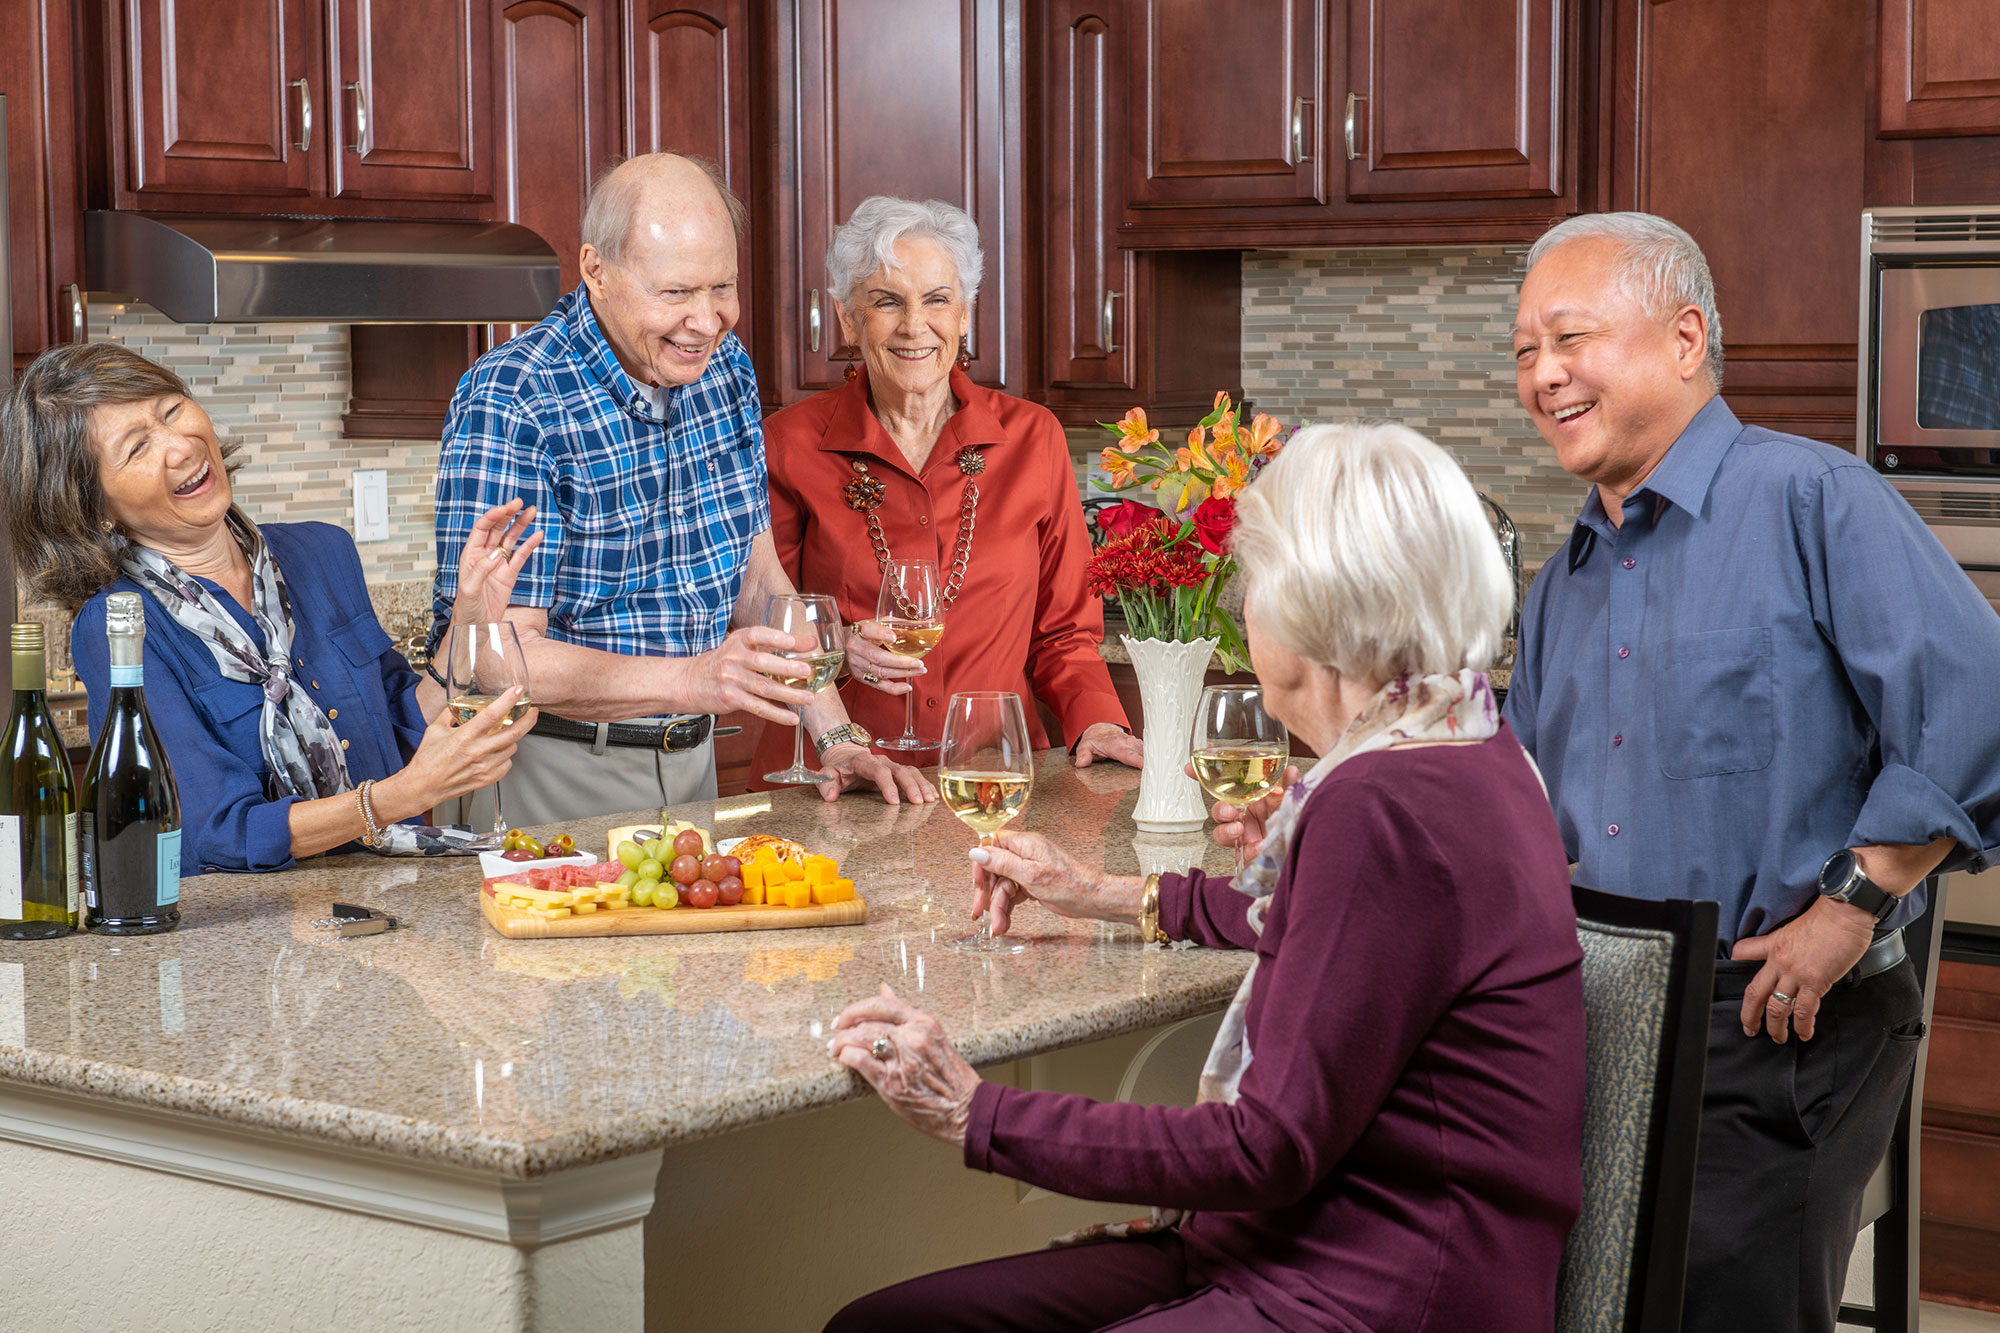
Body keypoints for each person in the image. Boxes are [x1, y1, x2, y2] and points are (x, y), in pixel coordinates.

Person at [822, 423, 1585, 1332]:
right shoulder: (1462, 743)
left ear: (1312, 611)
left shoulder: (1381, 802)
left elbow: (1263, 1147)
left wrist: (973, 1111)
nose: (1243, 611)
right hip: (1300, 1248)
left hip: (1368, 1292)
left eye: (1251, 585)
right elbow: (1324, 934)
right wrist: (1100, 893)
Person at [1503, 211, 2000, 1331]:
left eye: (1568, 337)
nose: (1543, 374)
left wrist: (1853, 902)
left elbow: (1981, 702)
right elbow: (1514, 803)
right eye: (1524, 351)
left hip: (1781, 1026)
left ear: (1684, 340)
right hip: (1598, 1027)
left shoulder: (1810, 499)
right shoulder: (1559, 579)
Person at [432, 155, 932, 826]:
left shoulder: (723, 367)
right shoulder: (515, 398)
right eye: (676, 294)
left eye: (721, 287)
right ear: (596, 270)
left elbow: (756, 580)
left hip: (692, 766)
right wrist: (693, 678)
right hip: (545, 769)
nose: (707, 320)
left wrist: (836, 738)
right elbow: (495, 655)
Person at [2, 343, 538, 873]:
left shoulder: (323, 552)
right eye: (137, 448)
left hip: (382, 894)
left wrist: (472, 614)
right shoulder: (118, 624)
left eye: (172, 411)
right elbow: (218, 832)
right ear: (93, 508)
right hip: (250, 933)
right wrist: (402, 796)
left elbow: (399, 719)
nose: (183, 447)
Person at [753, 196, 1141, 781]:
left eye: (937, 299)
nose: (915, 326)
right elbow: (762, 618)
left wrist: (1098, 724)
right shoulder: (787, 443)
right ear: (847, 319)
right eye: (887, 302)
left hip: (992, 777)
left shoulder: (1033, 438)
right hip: (839, 778)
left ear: (965, 315)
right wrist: (839, 650)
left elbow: (1065, 632)